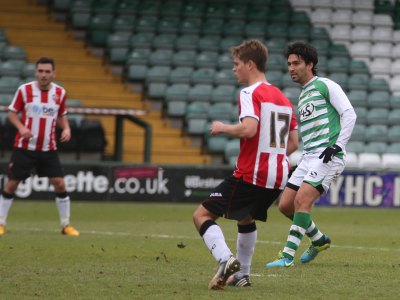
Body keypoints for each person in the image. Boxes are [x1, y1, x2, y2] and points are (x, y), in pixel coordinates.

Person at [192, 39, 299, 289]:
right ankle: (242, 275)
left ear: (250, 64)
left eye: (237, 64)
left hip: (253, 172)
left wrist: (222, 128)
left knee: (202, 215)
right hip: (278, 175)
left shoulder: (250, 93)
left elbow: (249, 129)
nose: (234, 69)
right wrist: (271, 155)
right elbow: (293, 142)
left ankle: (226, 260)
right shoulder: (283, 98)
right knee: (246, 218)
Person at [265, 41, 356, 268]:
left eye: (296, 63)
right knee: (285, 206)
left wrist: (338, 145)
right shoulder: (304, 94)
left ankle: (286, 256)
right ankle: (318, 240)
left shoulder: (326, 85)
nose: (291, 68)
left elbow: (349, 114)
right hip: (309, 156)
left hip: (328, 155)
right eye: (289, 64)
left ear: (310, 64)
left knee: (301, 201)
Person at [0, 56, 79, 237]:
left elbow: (61, 114)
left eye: (47, 71)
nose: (43, 75)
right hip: (24, 147)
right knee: (12, 183)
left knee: (59, 183)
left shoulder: (60, 93)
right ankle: (1, 222)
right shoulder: (24, 90)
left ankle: (66, 225)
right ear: (36, 72)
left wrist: (66, 127)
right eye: (40, 71)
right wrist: (21, 127)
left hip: (48, 148)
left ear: (54, 73)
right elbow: (12, 114)